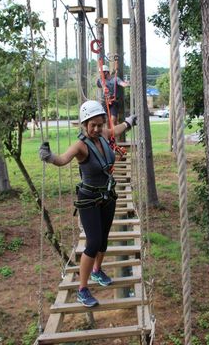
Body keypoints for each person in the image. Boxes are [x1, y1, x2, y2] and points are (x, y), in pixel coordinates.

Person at [39, 100, 137, 307]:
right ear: (84, 124)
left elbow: (117, 129)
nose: (97, 129)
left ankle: (97, 270)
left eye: (100, 125)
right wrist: (48, 157)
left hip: (107, 196)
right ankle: (82, 290)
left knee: (103, 240)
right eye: (92, 125)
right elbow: (62, 160)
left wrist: (129, 122)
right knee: (93, 243)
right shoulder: (80, 146)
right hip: (89, 200)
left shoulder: (104, 135)